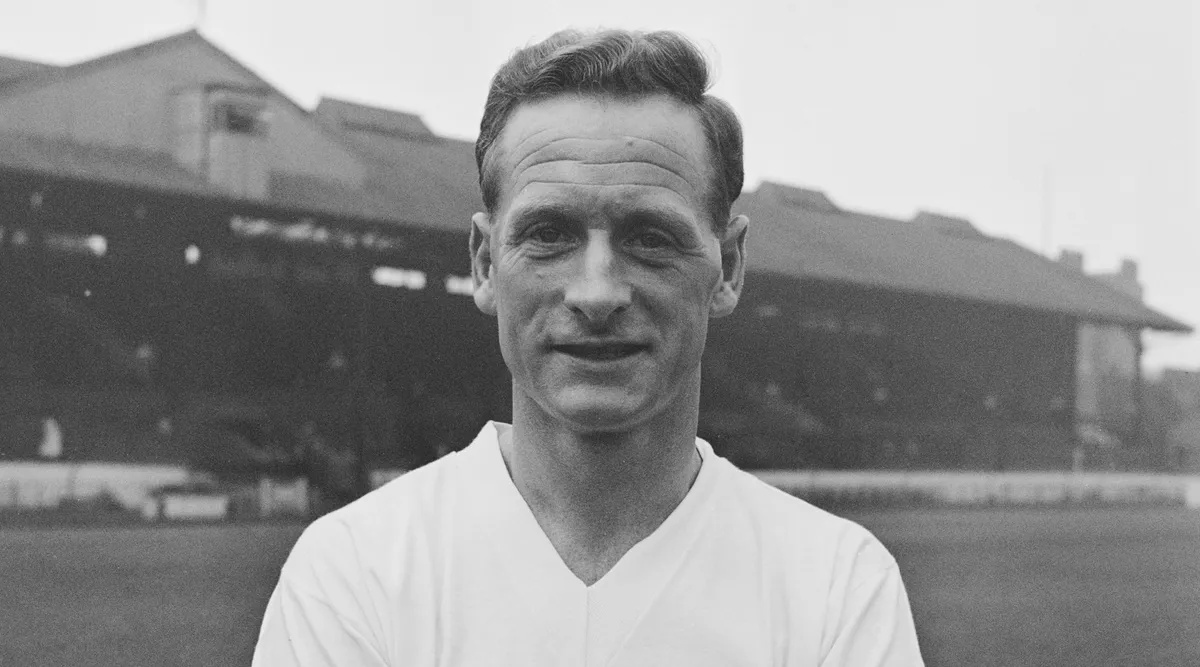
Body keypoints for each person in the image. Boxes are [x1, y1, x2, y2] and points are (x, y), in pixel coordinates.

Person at [253, 28, 924, 666]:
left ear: (729, 266)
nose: (596, 292)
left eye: (650, 237)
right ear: (486, 264)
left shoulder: (838, 587)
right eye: (549, 233)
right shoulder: (353, 575)